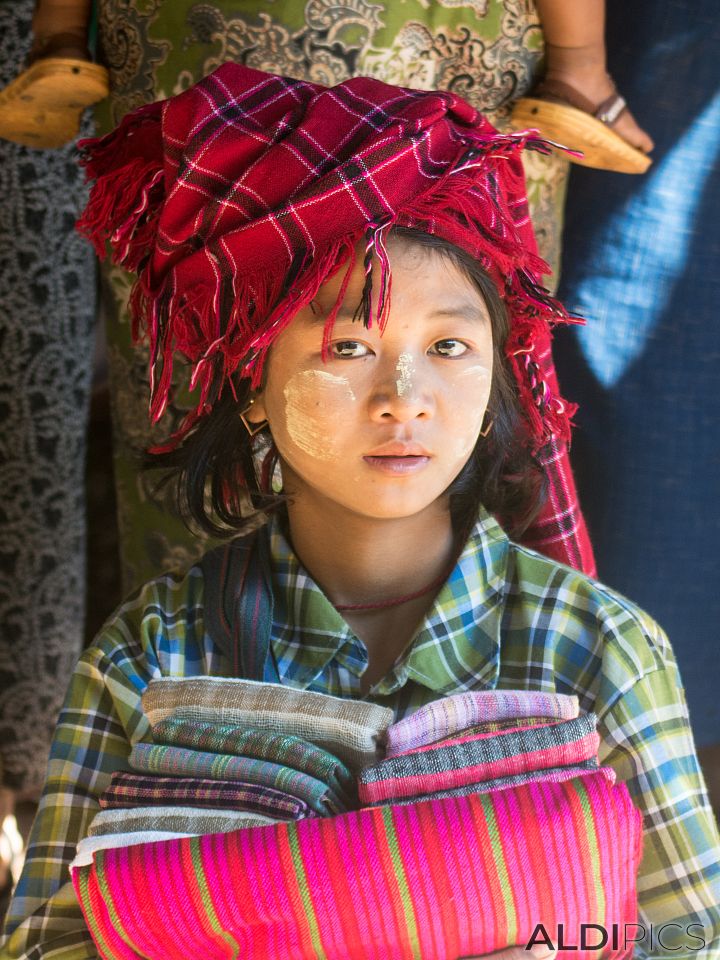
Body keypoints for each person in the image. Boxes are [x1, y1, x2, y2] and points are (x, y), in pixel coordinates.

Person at [2, 64, 719, 959]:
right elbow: (42, 944)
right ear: (249, 384)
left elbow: (691, 934)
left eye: (449, 346)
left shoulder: (594, 651)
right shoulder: (153, 659)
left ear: (498, 374)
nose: (404, 397)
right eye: (348, 344)